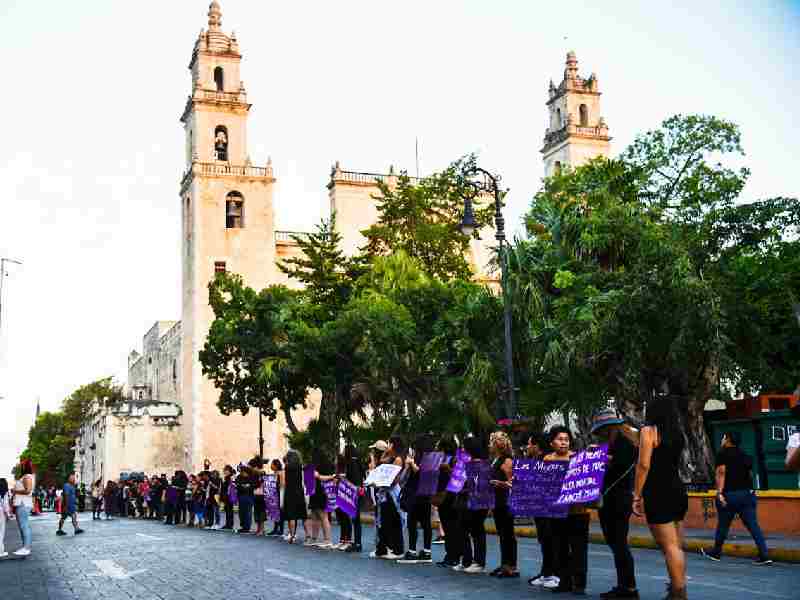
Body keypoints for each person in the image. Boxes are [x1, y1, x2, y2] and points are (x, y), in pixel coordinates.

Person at [633, 396, 689, 600]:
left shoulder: (649, 431)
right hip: (678, 489)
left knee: (669, 547)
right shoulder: (677, 433)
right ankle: (676, 588)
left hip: (658, 491)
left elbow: (644, 465)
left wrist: (636, 495)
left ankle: (679, 594)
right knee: (676, 546)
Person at [701, 431, 772, 565]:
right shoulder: (745, 456)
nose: (722, 440)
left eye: (723, 438)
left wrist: (719, 493)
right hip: (746, 494)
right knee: (753, 525)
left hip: (730, 495)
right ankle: (764, 554)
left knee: (723, 525)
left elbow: (721, 473)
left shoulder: (722, 454)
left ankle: (716, 552)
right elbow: (751, 475)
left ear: (728, 440)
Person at [591, 408, 640, 599]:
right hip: (612, 498)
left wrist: (600, 457)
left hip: (618, 498)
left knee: (619, 543)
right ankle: (624, 585)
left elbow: (618, 464)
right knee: (615, 543)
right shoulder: (612, 444)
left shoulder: (625, 443)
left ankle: (628, 587)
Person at [546, 426, 590, 595]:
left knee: (579, 549)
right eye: (559, 439)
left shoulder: (579, 458)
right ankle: (564, 582)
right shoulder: (547, 460)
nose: (563, 442)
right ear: (552, 443)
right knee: (560, 548)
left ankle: (579, 584)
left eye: (566, 439)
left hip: (578, 512)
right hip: (557, 512)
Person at [526, 434, 560, 590]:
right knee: (544, 539)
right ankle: (546, 572)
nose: (527, 447)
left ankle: (554, 573)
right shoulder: (535, 461)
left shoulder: (545, 460)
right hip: (538, 506)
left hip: (547, 507)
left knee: (549, 539)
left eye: (529, 444)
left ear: (536, 446)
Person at [399, 434, 434, 563]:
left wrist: (411, 464)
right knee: (426, 523)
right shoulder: (432, 458)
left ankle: (412, 551)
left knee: (412, 522)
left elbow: (420, 473)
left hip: (416, 493)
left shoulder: (420, 458)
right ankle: (426, 551)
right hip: (426, 494)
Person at [456, 435, 489, 574]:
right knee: (462, 529)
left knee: (477, 531)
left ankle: (479, 562)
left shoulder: (481, 464)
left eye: (464, 447)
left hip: (478, 502)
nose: (462, 449)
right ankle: (467, 560)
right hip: (465, 500)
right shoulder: (466, 463)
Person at [371, 436, 406, 559]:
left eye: (389, 443)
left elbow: (394, 479)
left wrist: (381, 483)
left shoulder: (398, 459)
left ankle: (397, 549)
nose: (388, 445)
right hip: (385, 491)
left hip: (392, 492)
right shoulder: (391, 457)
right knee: (385, 521)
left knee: (393, 521)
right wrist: (387, 451)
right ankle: (386, 548)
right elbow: (381, 461)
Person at [488, 431, 517, 578]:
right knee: (502, 533)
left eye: (492, 442)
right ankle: (504, 563)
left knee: (508, 534)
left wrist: (501, 484)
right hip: (497, 501)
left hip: (506, 501)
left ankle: (511, 566)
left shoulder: (506, 460)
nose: (490, 445)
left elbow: (513, 483)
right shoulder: (495, 459)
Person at [434, 436, 461, 568]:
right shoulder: (441, 459)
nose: (436, 448)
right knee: (447, 526)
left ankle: (454, 555)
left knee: (452, 527)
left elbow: (459, 477)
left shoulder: (455, 459)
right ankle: (450, 554)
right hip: (442, 495)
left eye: (439, 446)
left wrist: (447, 469)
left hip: (451, 496)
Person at [307, 449, 336, 548]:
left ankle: (327, 540)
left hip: (319, 492)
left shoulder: (321, 465)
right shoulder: (324, 465)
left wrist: (318, 476)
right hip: (319, 492)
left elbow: (326, 476)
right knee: (315, 515)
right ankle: (314, 539)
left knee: (322, 516)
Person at [280, 450, 307, 544]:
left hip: (289, 493)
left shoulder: (286, 468)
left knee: (291, 516)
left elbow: (283, 483)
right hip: (299, 492)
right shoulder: (301, 467)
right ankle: (308, 536)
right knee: (303, 515)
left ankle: (292, 536)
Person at [343, 445, 365, 553]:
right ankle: (357, 542)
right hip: (358, 492)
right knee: (356, 519)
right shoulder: (357, 461)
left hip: (354, 493)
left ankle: (357, 543)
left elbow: (354, 479)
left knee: (355, 519)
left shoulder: (352, 462)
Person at [12, 458, 35, 556]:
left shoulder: (27, 477)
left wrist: (15, 491)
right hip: (23, 503)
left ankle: (26, 547)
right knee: (23, 526)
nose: (20, 466)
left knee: (24, 526)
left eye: (22, 465)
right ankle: (25, 546)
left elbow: (28, 490)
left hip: (23, 503)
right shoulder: (27, 477)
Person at [266, 459, 285, 537]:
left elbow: (282, 484)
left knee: (280, 512)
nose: (271, 466)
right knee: (275, 512)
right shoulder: (275, 473)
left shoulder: (281, 473)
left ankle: (281, 530)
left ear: (276, 465)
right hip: (274, 494)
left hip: (279, 494)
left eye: (272, 464)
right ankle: (275, 529)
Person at [0, 478, 13, 558]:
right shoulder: (4, 493)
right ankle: (0, 551)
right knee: (1, 532)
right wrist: (8, 515)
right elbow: (5, 505)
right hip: (0, 512)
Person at [221, 465, 235, 530]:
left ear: (229, 471)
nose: (225, 471)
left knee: (229, 510)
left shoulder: (230, 478)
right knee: (227, 510)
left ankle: (230, 524)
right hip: (226, 496)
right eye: (225, 470)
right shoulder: (226, 478)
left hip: (229, 496)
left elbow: (230, 487)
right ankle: (228, 523)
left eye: (226, 470)